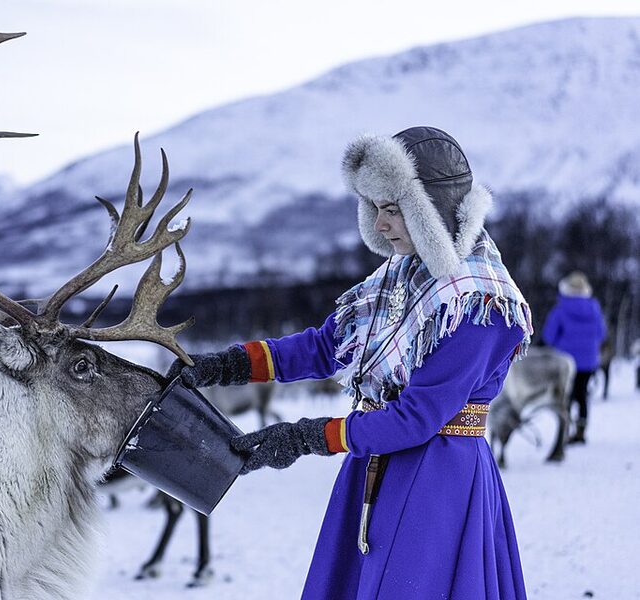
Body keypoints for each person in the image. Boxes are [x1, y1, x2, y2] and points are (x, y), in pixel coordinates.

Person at [168, 127, 533, 599]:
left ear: (431, 211)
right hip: (376, 461)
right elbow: (327, 346)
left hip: (436, 483)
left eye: (393, 210)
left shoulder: (481, 306)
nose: (379, 226)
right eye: (375, 209)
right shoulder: (400, 275)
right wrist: (231, 365)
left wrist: (305, 437)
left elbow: (417, 418)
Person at [542, 271, 607, 443]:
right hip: (589, 360)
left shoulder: (561, 308)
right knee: (582, 394)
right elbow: (601, 333)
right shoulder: (594, 307)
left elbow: (549, 336)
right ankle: (581, 431)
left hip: (564, 362)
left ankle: (564, 431)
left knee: (566, 397)